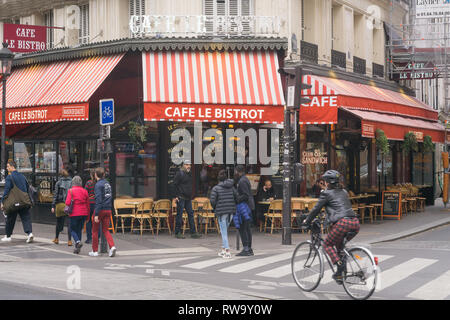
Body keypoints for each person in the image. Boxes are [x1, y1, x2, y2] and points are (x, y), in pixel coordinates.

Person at [302, 170, 360, 283]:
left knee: (327, 245)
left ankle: (340, 265)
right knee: (339, 247)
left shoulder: (326, 193)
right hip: (354, 223)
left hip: (342, 223)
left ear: (327, 182)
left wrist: (306, 221)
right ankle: (340, 274)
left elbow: (316, 209)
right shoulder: (344, 191)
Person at [0, 160, 34, 243]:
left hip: (14, 203)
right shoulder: (22, 176)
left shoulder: (10, 177)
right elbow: (27, 189)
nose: (7, 168)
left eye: (8, 166)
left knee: (10, 218)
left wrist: (2, 202)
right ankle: (29, 234)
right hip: (24, 201)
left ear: (12, 167)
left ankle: (8, 236)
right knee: (26, 218)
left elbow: (6, 191)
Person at [89, 167, 117, 257]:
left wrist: (96, 214)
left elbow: (98, 200)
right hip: (108, 209)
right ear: (103, 174)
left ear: (96, 175)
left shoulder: (98, 185)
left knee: (95, 231)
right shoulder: (107, 184)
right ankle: (112, 246)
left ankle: (95, 251)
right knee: (106, 230)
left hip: (100, 209)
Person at [210, 170, 237, 259]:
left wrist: (215, 208)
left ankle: (227, 251)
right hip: (231, 211)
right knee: (224, 231)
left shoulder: (216, 188)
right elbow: (236, 197)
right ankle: (223, 250)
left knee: (223, 232)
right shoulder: (232, 187)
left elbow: (212, 201)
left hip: (221, 212)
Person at [173, 160, 201, 239]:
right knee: (179, 215)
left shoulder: (189, 174)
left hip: (188, 198)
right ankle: (177, 232)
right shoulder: (180, 174)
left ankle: (193, 232)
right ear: (183, 165)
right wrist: (176, 196)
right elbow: (174, 185)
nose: (188, 166)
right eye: (186, 165)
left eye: (189, 165)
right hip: (181, 197)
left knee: (191, 215)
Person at [233, 165, 255, 257]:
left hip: (244, 207)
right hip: (248, 206)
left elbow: (246, 195)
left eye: (235, 172)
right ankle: (249, 248)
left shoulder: (242, 181)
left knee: (243, 228)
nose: (234, 173)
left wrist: (237, 198)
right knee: (247, 228)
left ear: (238, 171)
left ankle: (246, 248)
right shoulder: (244, 179)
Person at [66, 176, 90, 254]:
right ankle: (77, 248)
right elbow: (88, 204)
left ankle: (77, 241)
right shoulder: (85, 191)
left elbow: (67, 202)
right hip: (83, 213)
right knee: (79, 230)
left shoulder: (71, 191)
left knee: (72, 229)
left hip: (74, 213)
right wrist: (88, 216)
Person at [51, 169, 73, 246]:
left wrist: (53, 205)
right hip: (68, 204)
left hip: (60, 204)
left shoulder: (58, 183)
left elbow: (55, 195)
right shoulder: (71, 182)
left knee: (58, 223)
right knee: (69, 223)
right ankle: (69, 240)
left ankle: (56, 238)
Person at [84, 169, 102, 244]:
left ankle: (89, 238)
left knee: (88, 221)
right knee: (97, 221)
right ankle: (97, 237)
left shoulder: (88, 183)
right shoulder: (99, 183)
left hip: (90, 204)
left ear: (91, 175)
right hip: (97, 203)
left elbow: (85, 193)